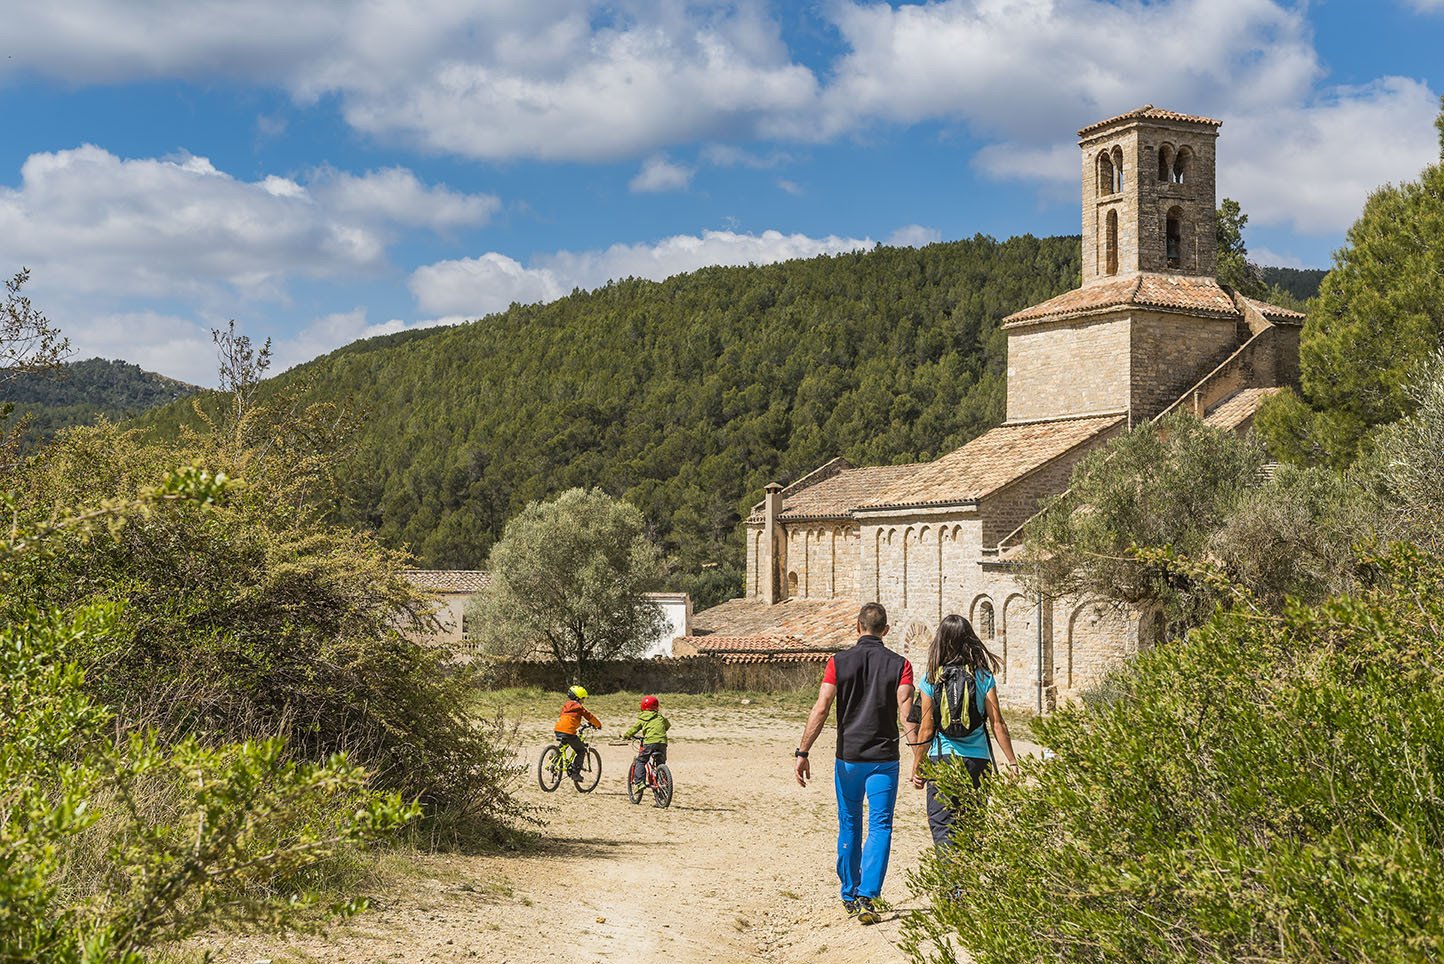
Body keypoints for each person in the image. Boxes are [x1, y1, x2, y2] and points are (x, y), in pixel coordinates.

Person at [795, 602, 916, 925]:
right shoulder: (901, 664)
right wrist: (919, 757)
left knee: (849, 823)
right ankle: (868, 896)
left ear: (857, 626)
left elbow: (821, 707)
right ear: (886, 631)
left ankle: (849, 893)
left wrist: (803, 751)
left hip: (848, 758)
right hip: (884, 760)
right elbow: (907, 713)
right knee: (881, 826)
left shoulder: (838, 662)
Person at [909, 614, 1019, 847]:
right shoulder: (983, 677)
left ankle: (954, 884)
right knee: (974, 826)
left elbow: (926, 729)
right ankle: (968, 883)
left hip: (943, 761)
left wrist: (917, 766)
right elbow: (998, 723)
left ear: (940, 641)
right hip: (978, 762)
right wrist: (1012, 762)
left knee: (943, 828)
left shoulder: (931, 678)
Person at [623, 694, 670, 802]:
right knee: (660, 764)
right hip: (662, 742)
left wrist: (626, 736)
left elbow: (634, 729)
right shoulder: (660, 717)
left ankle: (639, 783)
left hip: (649, 742)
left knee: (641, 761)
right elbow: (667, 726)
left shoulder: (642, 718)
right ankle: (663, 787)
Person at [554, 684, 602, 781]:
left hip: (558, 729)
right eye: (582, 699)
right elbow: (589, 716)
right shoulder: (580, 708)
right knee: (581, 750)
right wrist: (598, 725)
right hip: (569, 732)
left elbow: (569, 719)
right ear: (578, 698)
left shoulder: (565, 706)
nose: (583, 701)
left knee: (565, 742)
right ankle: (575, 773)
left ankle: (555, 755)